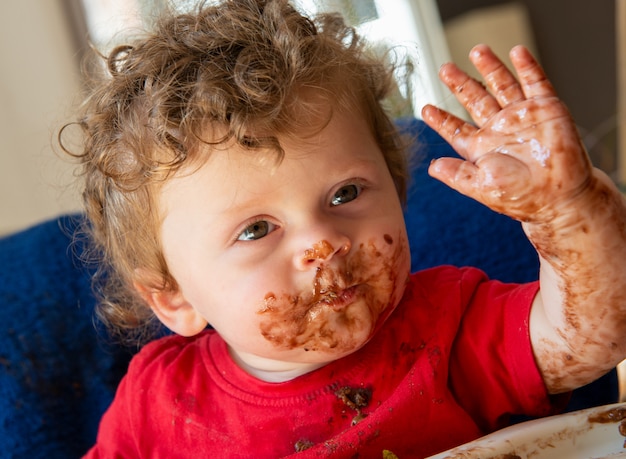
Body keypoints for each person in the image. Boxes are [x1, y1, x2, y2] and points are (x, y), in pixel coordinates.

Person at [67, 0, 626, 457]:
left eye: (346, 194)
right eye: (257, 229)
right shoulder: (158, 406)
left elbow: (593, 338)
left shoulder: (451, 327)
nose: (321, 241)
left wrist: (570, 209)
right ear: (174, 298)